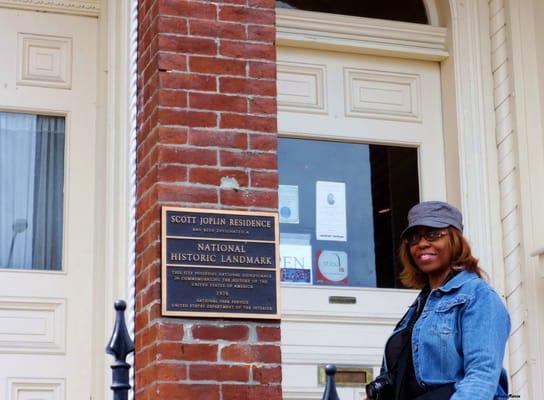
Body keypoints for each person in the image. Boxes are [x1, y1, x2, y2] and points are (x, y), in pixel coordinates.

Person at [366, 201, 511, 400]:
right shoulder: (419, 306)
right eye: (414, 237)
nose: (422, 243)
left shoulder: (477, 296)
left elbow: (481, 378)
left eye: (433, 234)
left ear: (455, 240)